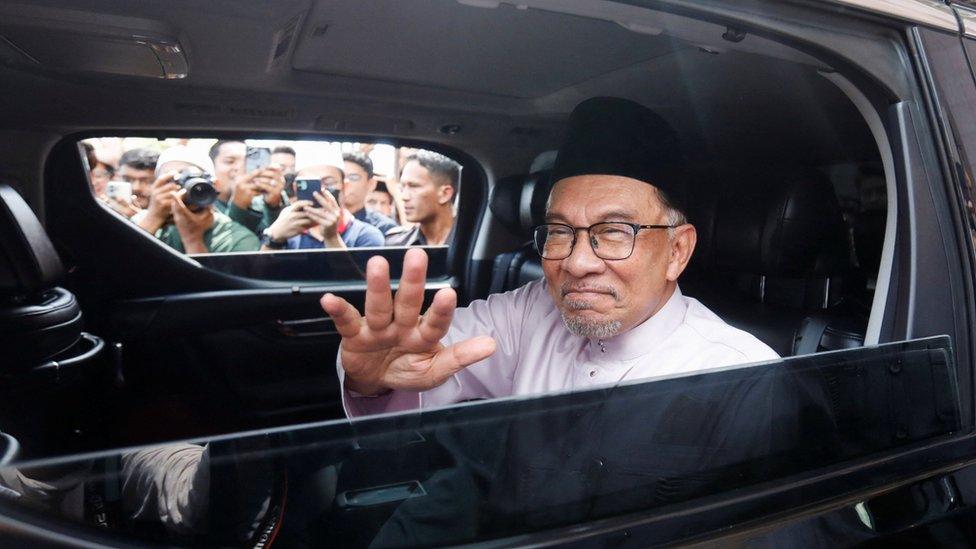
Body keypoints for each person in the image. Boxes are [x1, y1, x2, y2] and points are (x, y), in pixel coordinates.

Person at [321, 97, 779, 417]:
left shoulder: (742, 379)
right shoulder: (529, 311)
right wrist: (376, 379)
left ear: (678, 250)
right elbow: (419, 360)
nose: (578, 263)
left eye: (614, 232)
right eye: (560, 232)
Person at [136, 146, 260, 254]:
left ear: (214, 185)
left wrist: (193, 239)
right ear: (157, 186)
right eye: (173, 180)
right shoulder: (138, 222)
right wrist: (153, 219)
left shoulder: (237, 239)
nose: (185, 188)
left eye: (191, 179)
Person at [261, 162, 384, 250]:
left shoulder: (365, 235)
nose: (321, 191)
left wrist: (331, 238)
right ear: (296, 188)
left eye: (328, 183)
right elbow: (259, 278)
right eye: (310, 184)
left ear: (344, 187)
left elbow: (359, 284)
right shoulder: (287, 230)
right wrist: (273, 238)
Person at [208, 140, 287, 235]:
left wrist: (273, 207)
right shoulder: (203, 206)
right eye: (230, 161)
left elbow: (278, 240)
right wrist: (238, 207)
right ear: (212, 167)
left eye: (247, 161)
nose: (241, 167)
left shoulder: (261, 202)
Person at [384, 150, 459, 246]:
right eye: (402, 187)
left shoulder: (475, 243)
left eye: (414, 186)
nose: (404, 197)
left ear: (445, 194)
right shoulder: (396, 244)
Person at [342, 152, 399, 234]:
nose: (345, 182)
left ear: (371, 184)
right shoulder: (320, 221)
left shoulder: (383, 226)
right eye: (341, 177)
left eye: (353, 177)